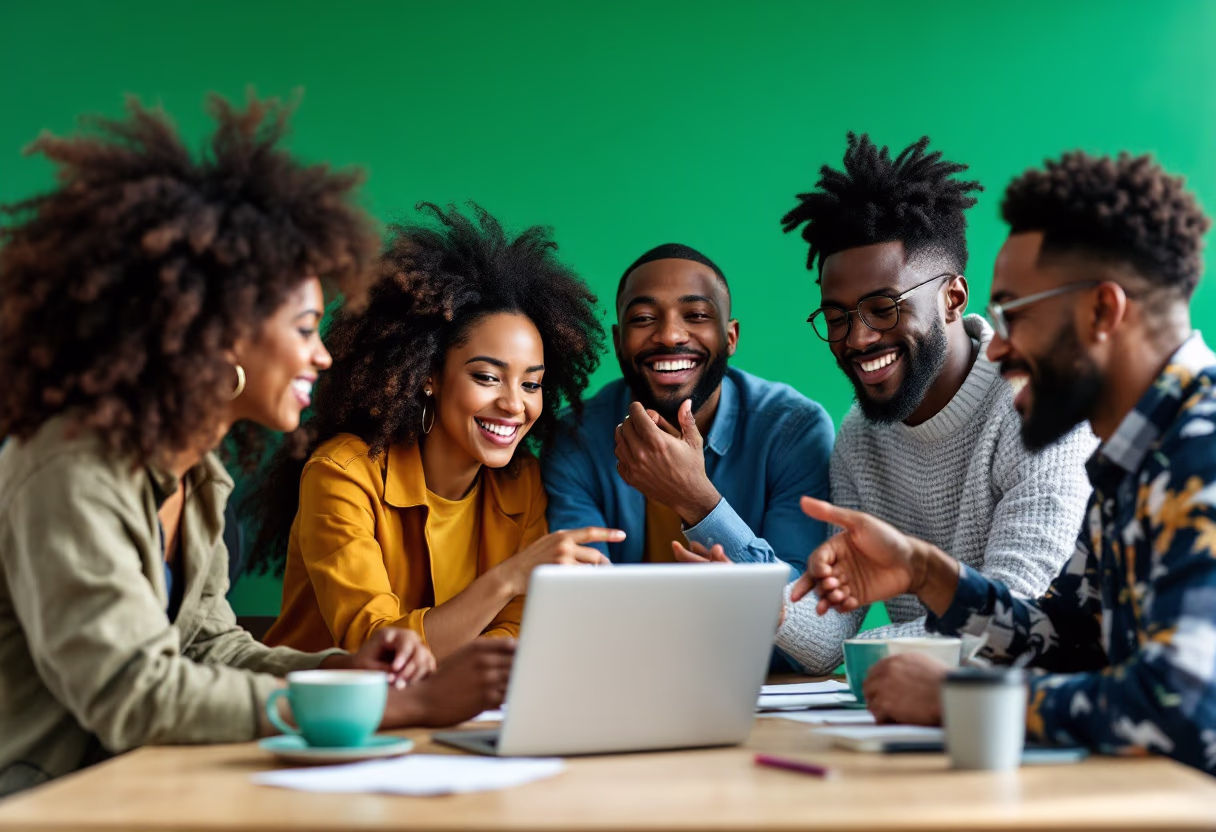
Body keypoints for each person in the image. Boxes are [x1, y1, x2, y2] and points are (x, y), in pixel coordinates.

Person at [0, 98, 514, 798]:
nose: (322, 354)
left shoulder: (199, 476)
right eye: (303, 328)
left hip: (144, 790)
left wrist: (348, 673)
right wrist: (400, 708)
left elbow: (211, 647)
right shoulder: (71, 466)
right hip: (48, 801)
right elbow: (133, 694)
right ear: (220, 335)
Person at [800, 150, 1216, 775]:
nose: (999, 347)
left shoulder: (1201, 450)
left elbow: (1181, 705)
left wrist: (956, 698)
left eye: (1016, 316)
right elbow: (1063, 639)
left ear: (1102, 312)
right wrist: (923, 571)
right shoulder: (1135, 458)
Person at [729, 133, 1094, 674]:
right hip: (930, 706)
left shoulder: (1036, 407)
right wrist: (761, 600)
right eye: (836, 317)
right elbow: (830, 634)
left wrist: (875, 645)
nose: (857, 338)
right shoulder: (860, 437)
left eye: (884, 308)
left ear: (953, 298)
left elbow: (1015, 619)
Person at [251, 203, 617, 659]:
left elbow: (518, 633)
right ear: (429, 375)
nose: (514, 404)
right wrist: (508, 578)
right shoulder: (343, 474)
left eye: (531, 384)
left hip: (459, 701)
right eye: (487, 377)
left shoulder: (521, 482)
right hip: (327, 702)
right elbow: (377, 648)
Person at [543, 243, 834, 575]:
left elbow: (800, 596)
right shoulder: (575, 438)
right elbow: (581, 591)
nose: (669, 336)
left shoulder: (793, 430)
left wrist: (695, 500)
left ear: (730, 337)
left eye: (696, 315)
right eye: (643, 318)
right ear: (619, 340)